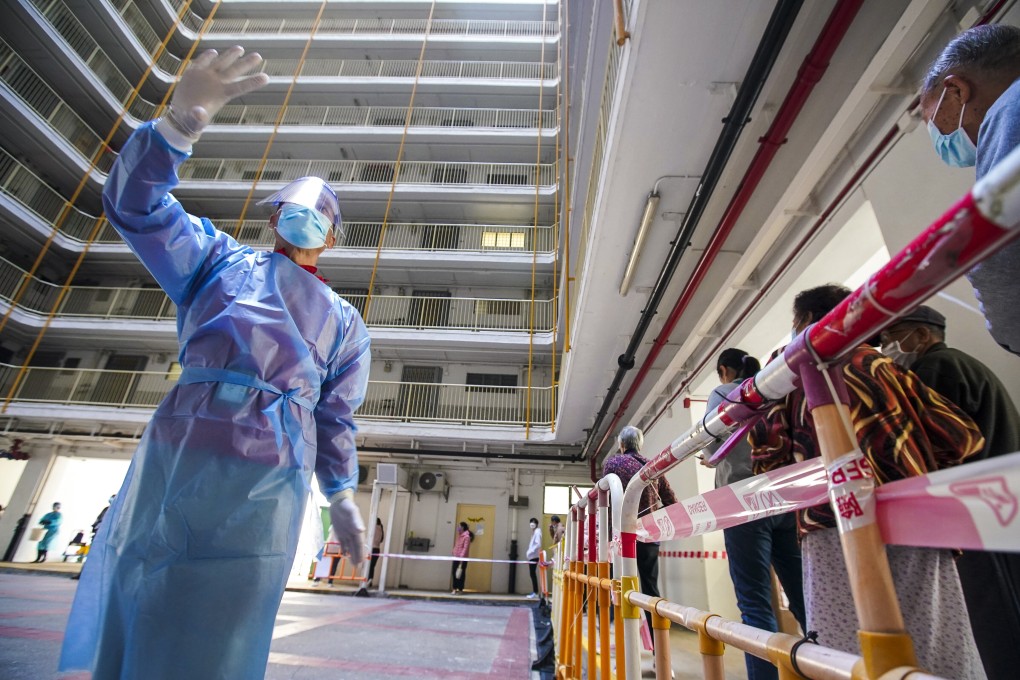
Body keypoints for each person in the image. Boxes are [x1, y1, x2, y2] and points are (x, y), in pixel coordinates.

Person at [60, 47, 372, 679]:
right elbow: (137, 209)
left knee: (229, 621)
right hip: (180, 456)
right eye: (295, 203)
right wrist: (179, 124)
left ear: (333, 237)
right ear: (274, 214)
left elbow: (336, 421)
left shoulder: (345, 324)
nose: (306, 214)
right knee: (142, 585)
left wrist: (340, 495)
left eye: (322, 213)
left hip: (272, 479)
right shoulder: (218, 263)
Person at [750, 284, 986, 679]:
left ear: (807, 322)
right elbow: (962, 437)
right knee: (935, 643)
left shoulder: (790, 374)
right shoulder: (884, 367)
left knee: (843, 653)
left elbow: (767, 458)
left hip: (831, 522)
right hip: (917, 517)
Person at [880, 304, 1020, 679]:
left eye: (892, 338)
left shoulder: (935, 369)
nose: (886, 349)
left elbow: (936, 446)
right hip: (994, 505)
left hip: (977, 509)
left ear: (922, 335)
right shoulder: (959, 363)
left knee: (997, 613)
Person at [703, 349, 805, 680]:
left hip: (743, 501)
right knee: (803, 594)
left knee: (755, 602)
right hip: (784, 496)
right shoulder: (777, 387)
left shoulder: (723, 393)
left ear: (723, 370)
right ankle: (830, 669)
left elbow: (710, 447)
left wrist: (712, 458)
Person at [920, 24, 1020, 356]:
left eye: (933, 121)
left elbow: (1000, 253)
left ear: (957, 90)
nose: (939, 137)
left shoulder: (1010, 107)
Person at [602, 425, 678, 640]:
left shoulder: (613, 463)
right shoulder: (652, 466)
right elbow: (672, 500)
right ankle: (659, 653)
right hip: (649, 535)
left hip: (622, 535)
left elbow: (606, 498)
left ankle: (617, 644)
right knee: (650, 590)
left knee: (617, 586)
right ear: (640, 444)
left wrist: (607, 536)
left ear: (621, 444)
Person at [451, 521, 473, 594]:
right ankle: (454, 588)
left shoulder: (467, 537)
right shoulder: (459, 536)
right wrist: (453, 552)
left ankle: (460, 589)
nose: (458, 528)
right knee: (454, 573)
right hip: (456, 557)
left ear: (463, 527)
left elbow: (465, 548)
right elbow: (457, 545)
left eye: (459, 526)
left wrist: (461, 557)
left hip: (462, 559)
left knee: (461, 573)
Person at [526, 517, 543, 598]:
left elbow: (538, 544)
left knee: (532, 574)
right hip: (532, 556)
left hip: (534, 556)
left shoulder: (537, 532)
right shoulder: (534, 532)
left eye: (533, 522)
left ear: (536, 524)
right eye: (531, 522)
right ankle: (535, 592)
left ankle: (535, 592)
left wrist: (530, 551)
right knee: (532, 574)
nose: (532, 524)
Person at [367, 517, 385, 587]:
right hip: (377, 549)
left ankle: (368, 579)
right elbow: (381, 540)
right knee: (372, 566)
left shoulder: (373, 528)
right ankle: (370, 579)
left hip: (371, 548)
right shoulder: (381, 529)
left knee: (369, 565)